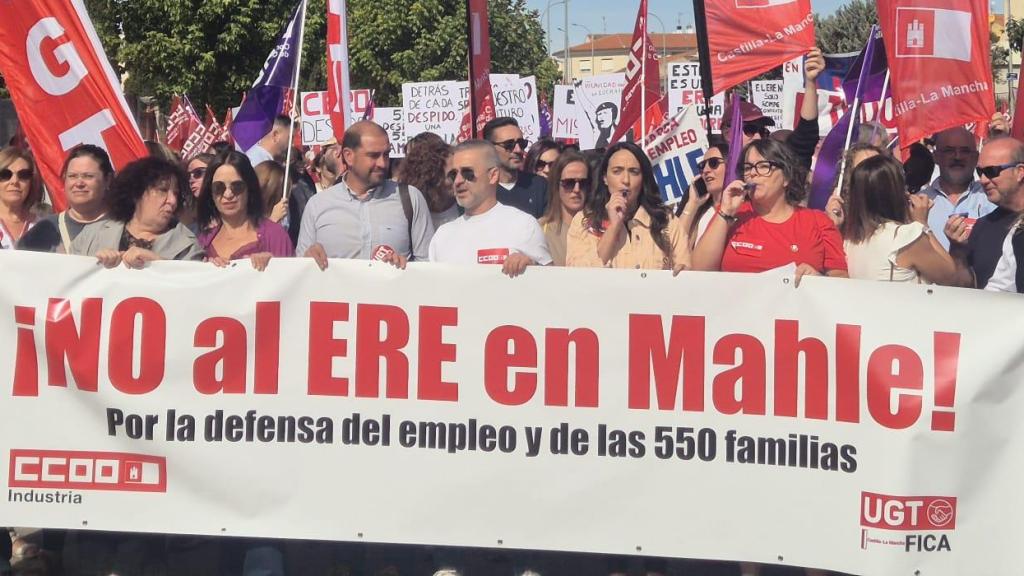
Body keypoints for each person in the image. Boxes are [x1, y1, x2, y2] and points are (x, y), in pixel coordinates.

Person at [692, 138, 848, 283]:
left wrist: (817, 279)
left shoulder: (818, 222)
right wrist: (725, 211)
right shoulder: (731, 216)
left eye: (763, 166)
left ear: (786, 177)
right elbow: (698, 272)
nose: (752, 173)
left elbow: (841, 281)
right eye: (748, 168)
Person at [298, 121, 433, 269]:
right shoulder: (317, 205)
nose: (382, 163)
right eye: (373, 156)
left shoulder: (410, 199)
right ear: (349, 156)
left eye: (386, 154)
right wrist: (308, 259)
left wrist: (404, 268)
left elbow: (427, 266)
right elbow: (301, 268)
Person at [428, 140, 552, 276]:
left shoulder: (524, 225)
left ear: (493, 175)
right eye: (453, 175)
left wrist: (531, 266)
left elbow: (551, 283)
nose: (458, 181)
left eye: (467, 173)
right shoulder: (442, 235)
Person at [565, 142, 690, 271]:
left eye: (634, 172)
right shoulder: (583, 222)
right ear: (605, 178)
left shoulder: (666, 221)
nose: (625, 180)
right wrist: (613, 227)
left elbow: (685, 269)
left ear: (643, 179)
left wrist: (682, 272)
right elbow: (579, 276)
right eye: (617, 171)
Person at [840, 154, 959, 284]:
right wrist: (922, 224)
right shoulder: (905, 237)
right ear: (895, 192)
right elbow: (950, 276)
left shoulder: (850, 240)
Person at [70, 156, 204, 266]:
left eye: (176, 193)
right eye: (162, 190)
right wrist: (94, 263)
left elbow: (189, 289)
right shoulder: (91, 236)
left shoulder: (188, 246)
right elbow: (66, 280)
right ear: (136, 193)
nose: (172, 200)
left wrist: (158, 264)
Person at [722, 47, 825, 169]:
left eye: (763, 132)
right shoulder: (714, 172)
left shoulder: (778, 169)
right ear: (728, 133)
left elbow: (806, 136)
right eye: (750, 129)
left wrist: (810, 82)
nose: (758, 137)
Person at [946, 136, 1024, 288]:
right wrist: (958, 253)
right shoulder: (982, 226)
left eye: (991, 171)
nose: (983, 180)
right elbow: (967, 289)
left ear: (1020, 172)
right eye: (979, 172)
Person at [195, 151, 294, 270]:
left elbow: (293, 282)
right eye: (219, 188)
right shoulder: (203, 241)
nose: (228, 194)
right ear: (210, 193)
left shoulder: (275, 235)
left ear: (249, 189)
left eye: (237, 186)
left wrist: (273, 267)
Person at [18, 145, 114, 253]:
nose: (79, 183)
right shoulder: (43, 231)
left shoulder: (126, 226)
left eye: (88, 176)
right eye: (72, 176)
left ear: (107, 180)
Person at [919, 126, 996, 249]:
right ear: (936, 157)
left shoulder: (992, 198)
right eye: (949, 150)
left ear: (976, 157)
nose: (957, 157)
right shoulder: (918, 202)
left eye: (965, 151)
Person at [483, 117, 548, 218]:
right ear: (490, 148)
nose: (518, 150)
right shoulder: (480, 189)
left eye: (521, 144)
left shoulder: (539, 186)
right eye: (509, 145)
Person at [397, 132, 459, 229]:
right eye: (452, 175)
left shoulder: (468, 207)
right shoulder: (408, 212)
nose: (460, 180)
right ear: (432, 177)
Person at [538, 150, 589, 266]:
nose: (576, 189)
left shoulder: (600, 228)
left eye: (583, 183)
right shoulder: (539, 229)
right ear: (556, 184)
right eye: (569, 183)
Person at [0, 147, 46, 249]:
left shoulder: (45, 228)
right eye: (5, 175)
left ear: (31, 182)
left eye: (23, 175)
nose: (14, 181)